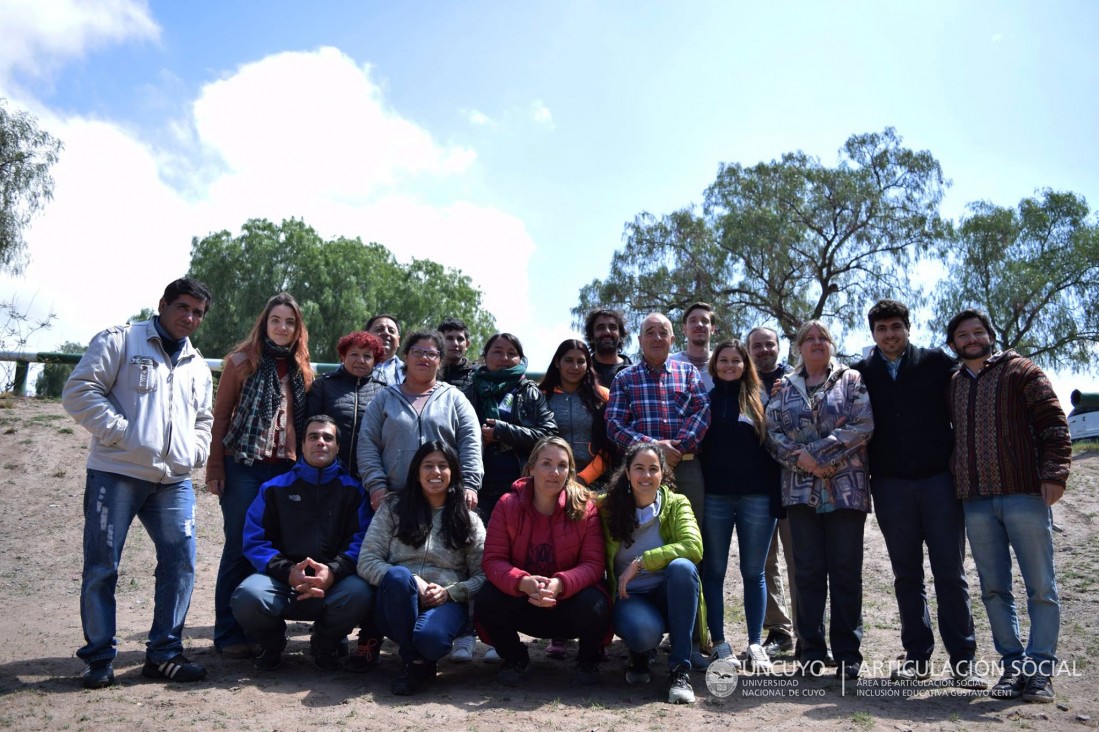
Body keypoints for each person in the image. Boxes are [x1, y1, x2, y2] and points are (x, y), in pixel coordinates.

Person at [62, 278, 214, 689]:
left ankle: (164, 654)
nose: (189, 318)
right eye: (182, 307)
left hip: (174, 481)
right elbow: (79, 391)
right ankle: (98, 658)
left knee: (180, 563)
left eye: (198, 312)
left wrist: (195, 452)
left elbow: (204, 419)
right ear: (162, 304)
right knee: (102, 566)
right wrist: (124, 435)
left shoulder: (198, 365)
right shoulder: (121, 341)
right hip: (116, 473)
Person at [852, 300, 983, 688]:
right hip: (890, 485)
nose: (890, 334)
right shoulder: (861, 373)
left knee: (950, 573)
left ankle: (964, 660)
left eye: (896, 326)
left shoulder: (936, 363)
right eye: (882, 329)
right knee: (906, 574)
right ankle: (917, 656)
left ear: (908, 327)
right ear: (873, 334)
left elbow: (972, 388)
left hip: (939, 482)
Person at [945, 309, 1071, 703]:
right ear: (953, 343)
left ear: (990, 335)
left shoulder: (1022, 372)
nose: (971, 339)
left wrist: (1054, 474)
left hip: (1024, 494)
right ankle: (1013, 667)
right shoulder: (953, 384)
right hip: (976, 500)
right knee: (995, 589)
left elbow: (1053, 422)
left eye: (978, 332)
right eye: (962, 335)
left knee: (1041, 587)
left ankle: (1040, 672)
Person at [207, 292, 315, 658]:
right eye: (276, 320)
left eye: (289, 322)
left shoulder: (303, 370)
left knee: (275, 550)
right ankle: (227, 635)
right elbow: (220, 418)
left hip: (285, 469)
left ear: (297, 328)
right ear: (264, 323)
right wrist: (215, 467)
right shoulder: (241, 363)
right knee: (238, 547)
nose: (282, 327)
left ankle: (263, 631)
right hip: (243, 467)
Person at [765, 319, 873, 679]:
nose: (815, 342)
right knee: (808, 573)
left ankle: (847, 654)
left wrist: (819, 455)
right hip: (799, 492)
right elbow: (772, 432)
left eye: (822, 337)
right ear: (798, 347)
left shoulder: (852, 380)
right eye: (808, 338)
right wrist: (803, 461)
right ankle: (810, 650)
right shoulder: (784, 388)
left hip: (845, 491)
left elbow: (863, 424)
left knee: (845, 571)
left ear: (831, 344)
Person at [230, 415, 374, 671]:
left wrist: (333, 572)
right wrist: (289, 572)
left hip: (334, 585)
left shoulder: (354, 491)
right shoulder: (273, 489)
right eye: (313, 437)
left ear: (338, 447)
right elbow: (255, 541)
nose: (320, 442)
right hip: (283, 584)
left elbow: (362, 541)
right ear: (303, 445)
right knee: (247, 596)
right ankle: (272, 645)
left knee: (360, 593)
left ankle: (326, 642)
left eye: (328, 438)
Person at [475, 437, 609, 685]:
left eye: (562, 465)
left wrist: (560, 584)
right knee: (486, 598)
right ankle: (515, 658)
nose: (554, 472)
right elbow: (493, 561)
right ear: (531, 467)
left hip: (568, 604)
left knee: (597, 602)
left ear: (570, 471)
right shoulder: (507, 505)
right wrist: (522, 582)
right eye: (546, 463)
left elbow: (593, 564)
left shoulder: (584, 507)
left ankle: (588, 660)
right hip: (525, 602)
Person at [357, 441, 486, 695]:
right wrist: (412, 581)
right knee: (397, 576)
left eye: (443, 466)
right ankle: (413, 663)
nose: (435, 472)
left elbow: (483, 574)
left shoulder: (467, 519)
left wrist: (452, 592)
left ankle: (420, 655)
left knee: (431, 640)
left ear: (454, 473)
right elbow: (367, 561)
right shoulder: (393, 509)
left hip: (446, 603)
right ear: (416, 472)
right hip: (396, 601)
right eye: (428, 466)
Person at [599, 442, 707, 704]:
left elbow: (693, 547)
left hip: (669, 594)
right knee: (644, 633)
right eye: (639, 468)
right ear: (627, 472)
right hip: (630, 597)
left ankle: (680, 670)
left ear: (663, 474)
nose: (646, 476)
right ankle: (640, 653)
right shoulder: (606, 507)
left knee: (683, 567)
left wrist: (641, 562)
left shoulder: (677, 503)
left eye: (653, 469)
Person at [700, 340, 781, 671]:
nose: (729, 365)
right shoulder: (704, 401)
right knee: (714, 571)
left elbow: (775, 453)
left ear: (746, 364)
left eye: (736, 360)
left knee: (754, 572)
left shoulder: (762, 401)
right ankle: (719, 643)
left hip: (757, 498)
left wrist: (777, 499)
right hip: (715, 498)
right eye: (723, 360)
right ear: (714, 365)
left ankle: (755, 644)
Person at [357, 330, 482, 512]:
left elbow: (471, 443)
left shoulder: (455, 399)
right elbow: (367, 444)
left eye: (432, 353)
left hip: (447, 501)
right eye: (418, 352)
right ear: (406, 357)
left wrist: (470, 485)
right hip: (394, 500)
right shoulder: (383, 399)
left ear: (440, 362)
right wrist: (376, 485)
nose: (424, 357)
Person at [605, 312, 710, 524]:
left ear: (672, 340)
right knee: (640, 533)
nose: (657, 338)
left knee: (690, 534)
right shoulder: (624, 378)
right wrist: (653, 449)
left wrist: (676, 449)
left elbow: (702, 411)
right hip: (639, 471)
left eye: (663, 333)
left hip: (685, 467)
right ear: (640, 340)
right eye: (650, 333)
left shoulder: (688, 372)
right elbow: (614, 425)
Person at [463, 332, 557, 521]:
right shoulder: (467, 392)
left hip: (520, 483)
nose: (504, 358)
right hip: (476, 487)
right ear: (484, 357)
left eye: (511, 353)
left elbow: (549, 435)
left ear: (520, 359)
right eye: (497, 352)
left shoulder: (530, 391)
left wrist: (503, 432)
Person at [747, 326, 797, 657]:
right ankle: (779, 630)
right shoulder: (743, 384)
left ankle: (810, 629)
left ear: (779, 347)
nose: (764, 350)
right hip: (757, 487)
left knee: (801, 560)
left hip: (796, 483)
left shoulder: (797, 380)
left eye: (770, 344)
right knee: (766, 562)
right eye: (757, 346)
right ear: (748, 350)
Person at [305, 330, 387, 479]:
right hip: (326, 474)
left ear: (375, 361)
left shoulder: (384, 392)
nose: (361, 360)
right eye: (354, 354)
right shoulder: (323, 386)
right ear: (343, 356)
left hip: (368, 475)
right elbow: (308, 429)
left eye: (367, 356)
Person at [538, 339, 611, 488]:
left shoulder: (604, 396)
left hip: (597, 482)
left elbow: (611, 445)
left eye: (581, 361)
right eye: (569, 360)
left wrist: (583, 479)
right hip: (550, 481)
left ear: (588, 365)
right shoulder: (540, 396)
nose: (575, 366)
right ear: (558, 362)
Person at [668, 302, 717, 391]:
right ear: (684, 329)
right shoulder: (669, 363)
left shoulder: (722, 365)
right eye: (693, 320)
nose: (699, 324)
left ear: (713, 329)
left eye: (705, 321)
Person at [584, 308, 633, 388]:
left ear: (620, 335)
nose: (607, 332)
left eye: (612, 327)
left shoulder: (634, 372)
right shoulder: (583, 372)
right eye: (601, 327)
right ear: (591, 336)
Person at [438, 317, 475, 390]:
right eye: (449, 338)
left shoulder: (476, 376)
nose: (455, 343)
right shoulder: (429, 372)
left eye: (460, 339)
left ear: (467, 344)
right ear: (439, 342)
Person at [365, 313, 403, 385]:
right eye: (379, 329)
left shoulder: (411, 372)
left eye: (391, 331)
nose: (386, 333)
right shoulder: (351, 368)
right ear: (366, 336)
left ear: (398, 340)